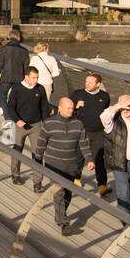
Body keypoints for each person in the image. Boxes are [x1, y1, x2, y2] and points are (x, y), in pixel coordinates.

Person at [31, 97, 95, 235]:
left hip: (71, 165)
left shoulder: (78, 124)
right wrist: (38, 160)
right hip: (53, 165)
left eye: (72, 108)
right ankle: (63, 223)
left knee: (67, 193)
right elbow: (41, 143)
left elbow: (84, 143)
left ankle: (60, 214)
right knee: (59, 193)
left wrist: (89, 159)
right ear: (60, 108)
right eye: (68, 108)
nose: (71, 110)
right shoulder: (49, 123)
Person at [5, 66, 49, 185]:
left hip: (36, 125)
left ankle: (37, 182)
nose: (36, 80)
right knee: (17, 150)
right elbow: (10, 107)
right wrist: (17, 120)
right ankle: (15, 174)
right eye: (33, 78)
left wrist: (45, 124)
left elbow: (45, 108)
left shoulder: (40, 89)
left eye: (37, 78)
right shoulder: (17, 88)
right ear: (26, 76)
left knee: (37, 153)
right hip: (20, 125)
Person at [73, 73, 112, 195]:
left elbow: (106, 112)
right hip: (82, 131)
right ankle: (76, 179)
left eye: (90, 82)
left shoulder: (104, 96)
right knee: (79, 156)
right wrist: (76, 106)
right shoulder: (78, 94)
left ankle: (102, 185)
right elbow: (67, 111)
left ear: (98, 84)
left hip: (99, 132)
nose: (87, 84)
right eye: (86, 82)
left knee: (99, 159)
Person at [0, 27, 31, 117]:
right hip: (19, 78)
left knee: (2, 97)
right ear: (18, 38)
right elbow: (26, 67)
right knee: (16, 98)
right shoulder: (24, 51)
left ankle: (7, 117)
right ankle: (16, 115)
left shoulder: (4, 49)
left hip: (6, 77)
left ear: (9, 38)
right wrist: (27, 79)